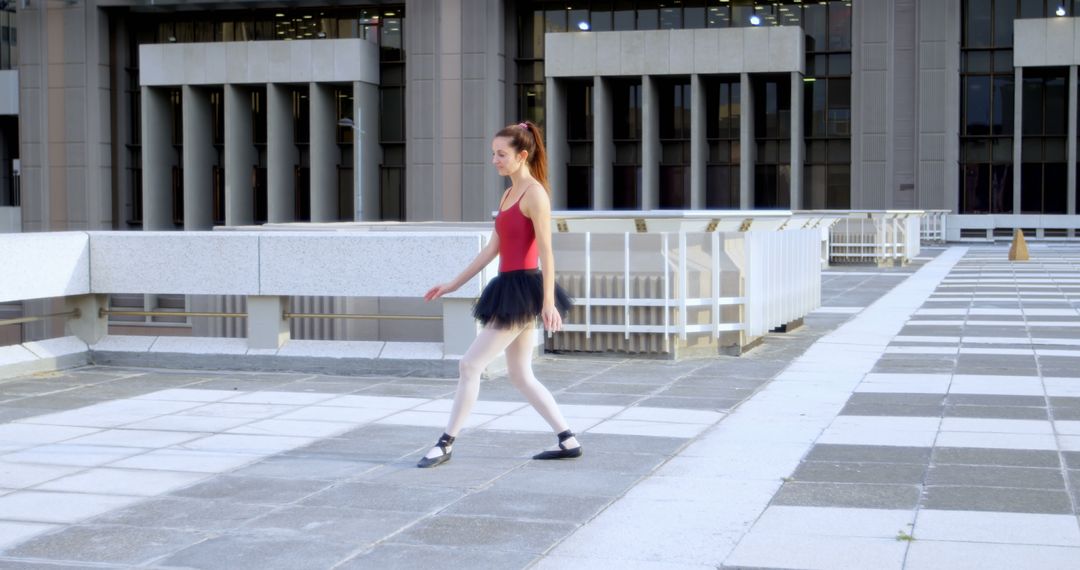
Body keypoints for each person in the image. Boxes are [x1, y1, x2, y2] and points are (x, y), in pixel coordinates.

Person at [418, 121, 581, 469]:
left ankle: (446, 442)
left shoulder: (535, 194)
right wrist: (453, 284)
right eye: (493, 153)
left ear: (522, 156)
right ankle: (567, 438)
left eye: (501, 154)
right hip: (508, 286)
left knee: (470, 364)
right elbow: (493, 248)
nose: (495, 160)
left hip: (524, 289)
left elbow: (547, 252)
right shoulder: (508, 194)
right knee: (521, 374)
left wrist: (548, 302)